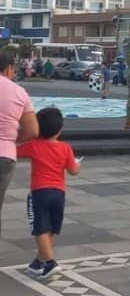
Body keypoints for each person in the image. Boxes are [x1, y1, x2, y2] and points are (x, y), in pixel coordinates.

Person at [17, 108, 80, 278]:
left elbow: (15, 151)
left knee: (40, 228)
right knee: (51, 228)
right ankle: (39, 261)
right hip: (59, 193)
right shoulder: (66, 148)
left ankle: (50, 262)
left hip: (39, 192)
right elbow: (73, 171)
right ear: (60, 130)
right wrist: (77, 164)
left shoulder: (34, 146)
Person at [0, 51, 39, 234]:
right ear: (9, 68)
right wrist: (10, 138)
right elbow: (32, 130)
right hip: (4, 156)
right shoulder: (18, 92)